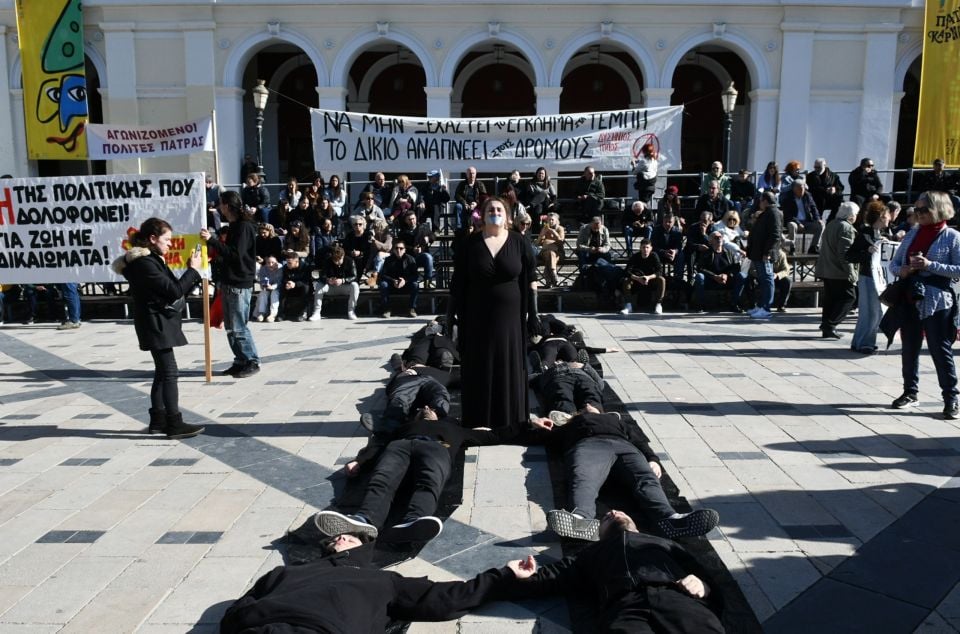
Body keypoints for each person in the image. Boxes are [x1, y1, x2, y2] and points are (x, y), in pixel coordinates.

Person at [220, 542, 527, 633]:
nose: (342, 540)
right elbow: (237, 610)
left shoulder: (384, 581)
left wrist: (502, 577)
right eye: (339, 539)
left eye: (349, 539)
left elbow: (443, 599)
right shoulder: (286, 572)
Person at [314, 406, 516, 542]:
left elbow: (495, 435)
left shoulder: (455, 429)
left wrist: (531, 426)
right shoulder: (404, 428)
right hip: (400, 446)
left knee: (429, 482)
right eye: (422, 409)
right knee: (381, 480)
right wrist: (360, 461)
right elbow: (378, 444)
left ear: (439, 416)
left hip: (437, 447)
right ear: (416, 416)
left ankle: (415, 521)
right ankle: (365, 520)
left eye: (430, 408)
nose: (426, 409)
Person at [502, 510, 725, 633]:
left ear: (635, 525)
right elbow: (552, 576)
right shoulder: (590, 553)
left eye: (618, 512)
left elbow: (704, 576)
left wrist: (704, 586)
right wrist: (523, 578)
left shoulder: (664, 543)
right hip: (624, 607)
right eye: (606, 518)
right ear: (600, 534)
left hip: (677, 598)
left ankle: (672, 516)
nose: (611, 511)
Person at [528, 408, 720, 542]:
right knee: (584, 479)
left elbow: (639, 439)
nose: (589, 406)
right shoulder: (572, 424)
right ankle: (580, 519)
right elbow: (543, 436)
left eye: (593, 406)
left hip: (624, 447)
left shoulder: (617, 420)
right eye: (585, 408)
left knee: (647, 479)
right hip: (589, 446)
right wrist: (533, 422)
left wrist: (652, 459)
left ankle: (670, 519)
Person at [112, 218, 204, 439]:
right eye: (167, 240)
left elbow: (172, 290)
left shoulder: (151, 260)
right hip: (156, 324)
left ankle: (158, 420)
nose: (170, 244)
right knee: (170, 372)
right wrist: (193, 270)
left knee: (163, 372)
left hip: (156, 322)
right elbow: (173, 291)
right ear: (153, 239)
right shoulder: (144, 264)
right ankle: (174, 423)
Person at [450, 197, 536, 428]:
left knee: (509, 365)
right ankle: (479, 418)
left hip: (511, 320)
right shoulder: (470, 243)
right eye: (490, 209)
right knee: (481, 364)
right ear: (482, 215)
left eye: (499, 209)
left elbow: (531, 280)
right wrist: (451, 319)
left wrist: (534, 314)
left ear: (507, 216)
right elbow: (457, 283)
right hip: (477, 317)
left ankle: (511, 419)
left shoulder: (520, 241)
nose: (494, 212)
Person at [887, 191, 960, 419]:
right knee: (909, 349)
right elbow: (894, 264)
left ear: (938, 209)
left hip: (938, 302)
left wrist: (930, 265)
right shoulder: (912, 233)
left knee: (940, 350)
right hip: (910, 298)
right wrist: (904, 270)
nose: (917, 214)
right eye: (916, 210)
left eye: (923, 210)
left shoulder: (952, 236)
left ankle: (951, 398)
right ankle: (910, 392)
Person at [201, 190, 261, 378]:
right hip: (229, 281)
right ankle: (240, 360)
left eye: (221, 204)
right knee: (230, 327)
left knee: (238, 326)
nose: (219, 208)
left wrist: (212, 241)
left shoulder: (244, 227)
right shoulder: (234, 225)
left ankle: (252, 360)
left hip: (239, 282)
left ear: (227, 205)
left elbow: (235, 255)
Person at [847, 201, 891, 354]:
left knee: (870, 311)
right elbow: (850, 256)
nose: (889, 219)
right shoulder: (865, 234)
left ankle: (859, 342)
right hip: (867, 277)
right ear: (879, 217)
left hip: (878, 278)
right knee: (872, 311)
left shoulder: (884, 235)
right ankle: (865, 343)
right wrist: (868, 251)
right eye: (886, 216)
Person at [815, 202, 858, 339]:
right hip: (839, 271)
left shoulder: (832, 224)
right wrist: (851, 273)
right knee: (849, 298)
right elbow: (844, 253)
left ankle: (827, 327)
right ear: (851, 216)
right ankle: (830, 325)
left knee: (830, 300)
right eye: (856, 214)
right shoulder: (846, 228)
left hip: (827, 269)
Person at [746, 191, 783, 319]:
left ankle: (766, 308)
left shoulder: (774, 213)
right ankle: (761, 305)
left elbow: (775, 235)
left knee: (767, 280)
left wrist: (768, 252)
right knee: (763, 280)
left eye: (761, 200)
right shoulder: (767, 213)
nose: (759, 203)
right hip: (758, 252)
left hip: (765, 254)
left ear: (766, 201)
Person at [693, 231, 747, 313]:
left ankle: (734, 304)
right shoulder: (706, 253)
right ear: (710, 241)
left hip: (727, 280)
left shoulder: (729, 252)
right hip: (711, 280)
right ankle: (700, 305)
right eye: (716, 237)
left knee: (742, 276)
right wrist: (714, 276)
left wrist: (726, 275)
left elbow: (736, 267)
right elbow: (700, 268)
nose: (719, 239)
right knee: (699, 277)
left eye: (720, 237)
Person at [312, 244, 359, 321]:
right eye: (335, 260)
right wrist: (328, 280)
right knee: (319, 286)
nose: (337, 262)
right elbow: (322, 276)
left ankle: (351, 311)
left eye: (339, 260)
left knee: (355, 286)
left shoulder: (350, 261)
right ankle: (317, 312)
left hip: (344, 287)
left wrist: (343, 280)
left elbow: (354, 276)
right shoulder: (327, 261)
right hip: (331, 287)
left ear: (343, 256)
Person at [620, 239, 665, 315]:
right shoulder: (635, 256)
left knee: (662, 279)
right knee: (626, 280)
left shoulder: (654, 256)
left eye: (647, 247)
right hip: (637, 281)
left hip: (650, 280)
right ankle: (628, 305)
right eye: (643, 247)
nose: (645, 250)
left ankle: (659, 304)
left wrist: (648, 277)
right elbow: (626, 271)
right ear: (640, 248)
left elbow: (659, 271)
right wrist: (638, 278)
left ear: (651, 248)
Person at [781, 179, 824, 254]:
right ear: (794, 189)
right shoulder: (788, 198)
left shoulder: (807, 195)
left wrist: (818, 219)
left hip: (806, 221)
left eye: (803, 188)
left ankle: (813, 247)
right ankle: (792, 248)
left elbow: (814, 208)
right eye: (799, 189)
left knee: (821, 225)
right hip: (794, 221)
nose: (802, 191)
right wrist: (798, 223)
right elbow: (788, 214)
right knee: (792, 225)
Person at [378, 241, 420, 318]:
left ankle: (412, 308)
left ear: (404, 250)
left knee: (415, 285)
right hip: (392, 284)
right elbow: (383, 275)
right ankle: (386, 309)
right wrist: (393, 280)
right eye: (396, 248)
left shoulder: (410, 259)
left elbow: (415, 275)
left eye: (401, 248)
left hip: (406, 284)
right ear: (393, 250)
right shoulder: (388, 260)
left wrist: (405, 281)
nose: (398, 250)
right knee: (383, 284)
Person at [395, 210, 435, 285]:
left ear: (416, 219)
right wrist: (412, 249)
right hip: (409, 257)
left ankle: (427, 281)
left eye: (413, 219)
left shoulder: (423, 228)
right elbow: (401, 246)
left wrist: (428, 239)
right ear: (406, 221)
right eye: (409, 219)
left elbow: (433, 236)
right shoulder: (402, 233)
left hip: (421, 255)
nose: (412, 221)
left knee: (428, 257)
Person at [279, 250, 313, 322]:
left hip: (301, 288)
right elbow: (284, 278)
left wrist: (295, 284)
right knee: (282, 288)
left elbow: (306, 281)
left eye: (290, 263)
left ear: (296, 261)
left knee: (306, 288)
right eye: (287, 262)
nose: (287, 264)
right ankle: (281, 314)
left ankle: (303, 313)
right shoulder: (286, 267)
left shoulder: (305, 267)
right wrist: (287, 283)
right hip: (290, 288)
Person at [650, 213, 685, 281]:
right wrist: (664, 252)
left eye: (670, 222)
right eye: (665, 222)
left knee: (681, 255)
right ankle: (655, 279)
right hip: (660, 254)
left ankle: (678, 280)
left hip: (672, 254)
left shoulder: (677, 231)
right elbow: (653, 246)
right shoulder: (656, 230)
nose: (667, 224)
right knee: (653, 254)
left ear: (673, 222)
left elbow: (679, 246)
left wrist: (675, 251)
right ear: (662, 221)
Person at [536, 212, 565, 288]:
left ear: (556, 220)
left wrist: (554, 233)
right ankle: (554, 273)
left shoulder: (560, 229)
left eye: (552, 220)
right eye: (549, 220)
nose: (550, 221)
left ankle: (548, 282)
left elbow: (561, 243)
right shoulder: (545, 228)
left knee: (551, 255)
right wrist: (542, 234)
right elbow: (537, 243)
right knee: (550, 254)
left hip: (558, 252)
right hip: (544, 252)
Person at [254, 255, 282, 322]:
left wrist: (273, 287)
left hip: (277, 288)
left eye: (273, 262)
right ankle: (262, 313)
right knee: (263, 293)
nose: (270, 264)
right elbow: (262, 280)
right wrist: (265, 285)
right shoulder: (263, 269)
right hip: (267, 288)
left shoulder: (280, 268)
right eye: (268, 262)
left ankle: (273, 314)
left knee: (274, 293)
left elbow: (280, 281)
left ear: (276, 262)